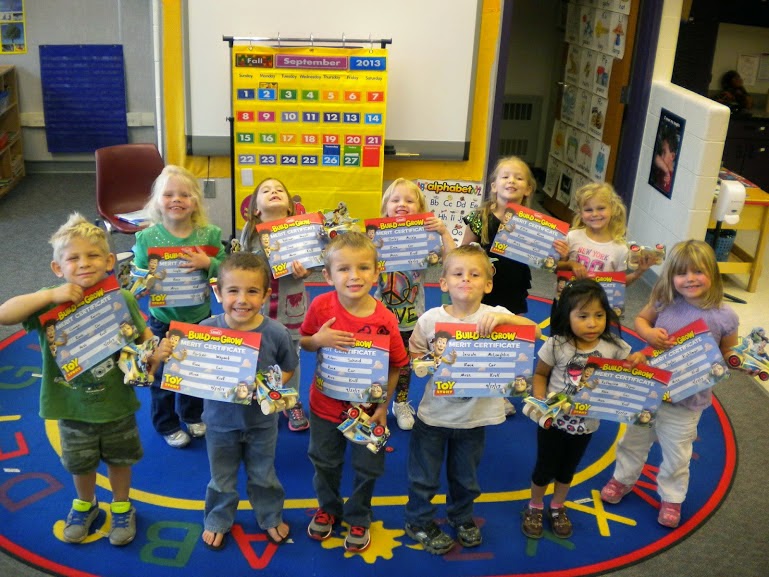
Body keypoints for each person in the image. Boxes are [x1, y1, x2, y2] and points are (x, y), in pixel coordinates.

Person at [0, 213, 170, 546]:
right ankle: (85, 504)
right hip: (71, 405)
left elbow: (145, 341)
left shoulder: (122, 298)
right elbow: (5, 314)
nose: (84, 263)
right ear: (57, 267)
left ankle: (121, 506)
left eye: (93, 255)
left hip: (117, 402)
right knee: (80, 463)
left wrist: (156, 354)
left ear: (109, 261)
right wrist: (49, 297)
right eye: (73, 258)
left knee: (121, 460)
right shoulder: (49, 301)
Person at [405, 244, 540, 554]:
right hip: (434, 417)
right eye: (458, 273)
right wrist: (424, 362)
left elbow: (533, 331)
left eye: (475, 274)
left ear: (488, 284)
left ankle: (462, 517)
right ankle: (418, 520)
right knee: (424, 477)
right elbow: (415, 350)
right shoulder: (431, 319)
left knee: (466, 478)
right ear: (444, 283)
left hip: (475, 419)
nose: (466, 279)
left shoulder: (497, 314)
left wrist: (506, 321)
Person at [600, 240, 738, 528]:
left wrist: (737, 360)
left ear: (713, 273)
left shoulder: (725, 316)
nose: (690, 279)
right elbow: (641, 319)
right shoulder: (665, 299)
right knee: (633, 441)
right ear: (671, 276)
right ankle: (623, 478)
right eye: (681, 273)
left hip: (686, 401)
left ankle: (672, 498)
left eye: (698, 272)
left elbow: (728, 351)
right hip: (649, 390)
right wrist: (649, 334)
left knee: (677, 454)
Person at [300, 232, 409, 553]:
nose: (354, 276)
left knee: (368, 466)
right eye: (344, 269)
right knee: (324, 461)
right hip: (324, 407)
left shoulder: (385, 318)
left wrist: (383, 405)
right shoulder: (321, 306)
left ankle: (359, 513)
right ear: (328, 275)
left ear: (377, 273)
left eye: (363, 268)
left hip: (367, 412)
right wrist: (317, 340)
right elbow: (304, 342)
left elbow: (397, 364)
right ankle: (329, 507)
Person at [521, 279, 644, 540]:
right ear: (567, 315)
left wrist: (637, 361)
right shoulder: (557, 344)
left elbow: (631, 371)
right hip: (553, 422)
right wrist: (541, 400)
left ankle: (557, 506)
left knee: (568, 469)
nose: (592, 323)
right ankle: (535, 505)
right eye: (583, 316)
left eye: (599, 315)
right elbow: (540, 374)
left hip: (587, 424)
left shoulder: (614, 347)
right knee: (544, 467)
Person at [199, 252, 298, 551]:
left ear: (266, 295)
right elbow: (191, 368)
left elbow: (289, 366)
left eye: (252, 291)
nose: (242, 300)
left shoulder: (276, 332)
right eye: (233, 290)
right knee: (221, 478)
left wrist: (270, 387)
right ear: (218, 291)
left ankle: (270, 516)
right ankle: (218, 518)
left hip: (262, 423)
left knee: (264, 475)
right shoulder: (205, 329)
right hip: (219, 422)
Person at [133, 165, 226, 448]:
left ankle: (192, 414)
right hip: (162, 319)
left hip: (199, 318)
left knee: (193, 372)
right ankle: (166, 423)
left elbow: (227, 272)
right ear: (157, 201)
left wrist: (209, 263)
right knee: (161, 375)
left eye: (184, 195)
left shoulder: (209, 235)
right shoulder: (147, 238)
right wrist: (142, 283)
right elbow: (138, 275)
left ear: (195, 201)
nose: (176, 199)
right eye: (169, 194)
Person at [462, 155, 544, 417]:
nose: (512, 181)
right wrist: (471, 254)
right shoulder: (480, 218)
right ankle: (475, 382)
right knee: (479, 335)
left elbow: (545, 257)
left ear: (528, 189)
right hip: (482, 290)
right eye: (505, 176)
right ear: (494, 185)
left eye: (519, 178)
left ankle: (500, 391)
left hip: (514, 288)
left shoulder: (533, 223)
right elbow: (463, 252)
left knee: (507, 340)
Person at [374, 178, 455, 431]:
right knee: (378, 361)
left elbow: (452, 261)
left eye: (410, 201)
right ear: (386, 207)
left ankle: (400, 402)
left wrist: (443, 232)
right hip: (379, 315)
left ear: (420, 209)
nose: (402, 204)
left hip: (411, 318)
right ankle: (375, 403)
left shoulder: (426, 239)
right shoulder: (376, 238)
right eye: (395, 200)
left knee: (405, 365)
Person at [240, 177, 311, 432]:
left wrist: (305, 271)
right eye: (266, 190)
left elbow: (312, 262)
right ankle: (260, 394)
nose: (274, 192)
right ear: (256, 209)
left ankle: (292, 400)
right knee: (258, 352)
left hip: (291, 306)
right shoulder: (249, 234)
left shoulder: (301, 231)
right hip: (259, 307)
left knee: (291, 356)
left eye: (280, 189)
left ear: (290, 206)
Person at [552, 183, 656, 315]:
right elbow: (555, 268)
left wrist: (638, 273)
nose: (595, 214)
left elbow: (618, 283)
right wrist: (570, 263)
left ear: (612, 209)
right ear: (580, 212)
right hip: (567, 303)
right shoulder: (572, 237)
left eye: (601, 208)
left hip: (598, 308)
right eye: (588, 210)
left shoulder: (620, 249)